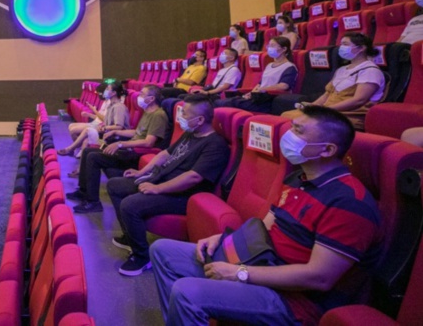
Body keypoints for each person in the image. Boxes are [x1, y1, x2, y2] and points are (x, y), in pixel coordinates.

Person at [150, 105, 381, 326]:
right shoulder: (298, 178)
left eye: (298, 131)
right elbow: (264, 226)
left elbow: (319, 278)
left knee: (188, 292)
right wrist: (222, 239)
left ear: (327, 149)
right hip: (260, 261)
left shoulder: (349, 202)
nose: (288, 135)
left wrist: (239, 273)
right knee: (163, 251)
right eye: (291, 127)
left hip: (294, 300)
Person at [106, 96, 230, 276]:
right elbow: (165, 153)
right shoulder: (190, 134)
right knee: (115, 185)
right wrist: (142, 173)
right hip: (162, 181)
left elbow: (193, 177)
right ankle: (130, 237)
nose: (181, 118)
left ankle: (142, 257)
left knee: (130, 205)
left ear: (200, 120)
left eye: (185, 114)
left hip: (183, 195)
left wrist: (158, 189)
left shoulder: (216, 145)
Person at [66, 85, 170, 213]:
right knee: (88, 151)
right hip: (130, 148)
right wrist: (116, 132)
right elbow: (136, 133)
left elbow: (148, 142)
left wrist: (120, 144)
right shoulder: (148, 112)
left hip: (135, 153)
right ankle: (83, 191)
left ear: (151, 98)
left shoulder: (158, 115)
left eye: (142, 94)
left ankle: (93, 202)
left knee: (94, 157)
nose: (139, 96)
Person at [282, 32, 385, 130]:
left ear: (362, 48)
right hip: (329, 111)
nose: (341, 47)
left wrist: (326, 110)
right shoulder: (342, 69)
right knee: (286, 115)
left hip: (348, 114)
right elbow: (327, 94)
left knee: (297, 120)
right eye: (341, 44)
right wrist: (313, 106)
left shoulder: (370, 71)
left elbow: (358, 100)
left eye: (345, 44)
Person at [214, 37, 297, 114]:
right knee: (224, 101)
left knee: (228, 103)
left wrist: (262, 89)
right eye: (269, 45)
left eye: (273, 45)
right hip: (258, 98)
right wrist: (251, 93)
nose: (269, 48)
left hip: (269, 100)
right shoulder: (269, 65)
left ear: (284, 49)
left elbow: (283, 86)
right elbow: (260, 83)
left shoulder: (289, 67)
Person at [58, 82, 129, 162]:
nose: (105, 91)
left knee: (87, 131)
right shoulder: (111, 105)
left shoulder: (119, 107)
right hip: (106, 134)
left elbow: (119, 126)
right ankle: (81, 168)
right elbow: (107, 121)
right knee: (85, 140)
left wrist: (104, 127)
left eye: (107, 89)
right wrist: (103, 126)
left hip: (114, 137)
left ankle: (70, 149)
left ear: (114, 93)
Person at [63, 84, 110, 155]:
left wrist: (94, 110)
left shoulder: (110, 103)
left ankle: (73, 148)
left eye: (99, 93)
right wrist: (88, 114)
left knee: (73, 131)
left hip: (99, 125)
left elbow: (104, 119)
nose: (98, 95)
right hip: (95, 122)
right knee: (71, 125)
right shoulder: (105, 102)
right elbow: (98, 117)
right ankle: (79, 146)